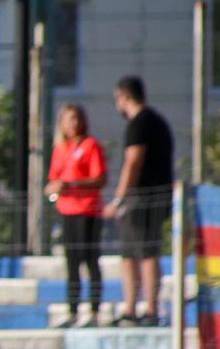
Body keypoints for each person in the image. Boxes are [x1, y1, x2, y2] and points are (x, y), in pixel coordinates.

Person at [106, 76, 175, 327]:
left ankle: (147, 309)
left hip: (142, 199)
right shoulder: (157, 121)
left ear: (124, 96)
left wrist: (118, 199)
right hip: (153, 197)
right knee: (132, 254)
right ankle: (133, 308)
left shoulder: (139, 123)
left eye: (117, 98)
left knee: (144, 254)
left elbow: (133, 161)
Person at [45, 104, 108, 329]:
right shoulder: (61, 148)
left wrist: (72, 184)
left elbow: (100, 178)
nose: (74, 123)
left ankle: (94, 311)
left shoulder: (90, 145)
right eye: (69, 119)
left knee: (90, 259)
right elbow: (54, 177)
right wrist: (54, 188)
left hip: (87, 211)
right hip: (68, 211)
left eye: (77, 118)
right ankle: (72, 311)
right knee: (71, 262)